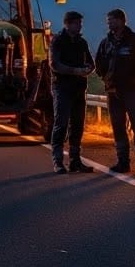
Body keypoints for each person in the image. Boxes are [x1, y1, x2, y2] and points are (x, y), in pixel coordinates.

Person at [94, 8, 135, 175]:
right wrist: (104, 77)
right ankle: (123, 162)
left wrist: (134, 78)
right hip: (113, 92)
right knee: (118, 127)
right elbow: (99, 62)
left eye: (111, 20)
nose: (109, 23)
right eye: (108, 21)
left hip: (132, 91)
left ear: (121, 21)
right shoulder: (106, 42)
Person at [49, 10, 95, 174]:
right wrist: (74, 71)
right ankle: (58, 161)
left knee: (77, 125)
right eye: (77, 23)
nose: (80, 26)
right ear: (68, 24)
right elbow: (54, 65)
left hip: (78, 88)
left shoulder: (81, 42)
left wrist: (88, 69)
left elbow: (91, 62)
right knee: (61, 124)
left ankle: (75, 161)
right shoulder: (57, 40)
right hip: (62, 87)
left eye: (80, 23)